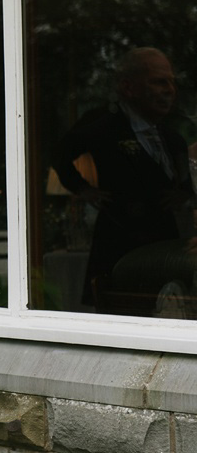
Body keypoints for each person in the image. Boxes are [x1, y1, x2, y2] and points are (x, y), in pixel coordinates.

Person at [53, 47, 193, 313]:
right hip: (120, 242)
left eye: (172, 82)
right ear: (129, 87)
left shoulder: (171, 136)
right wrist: (84, 189)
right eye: (159, 81)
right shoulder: (103, 127)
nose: (169, 90)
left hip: (164, 242)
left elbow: (186, 175)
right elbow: (60, 155)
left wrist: (184, 193)